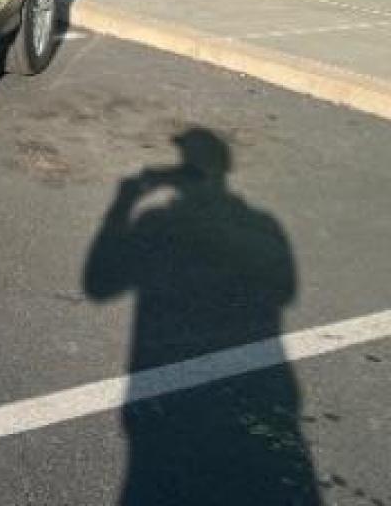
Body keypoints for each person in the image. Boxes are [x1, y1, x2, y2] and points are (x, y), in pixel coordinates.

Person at [83, 128, 320, 505]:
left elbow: (98, 285)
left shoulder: (157, 221)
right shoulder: (262, 223)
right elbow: (286, 290)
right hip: (259, 387)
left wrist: (124, 200)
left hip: (164, 397)